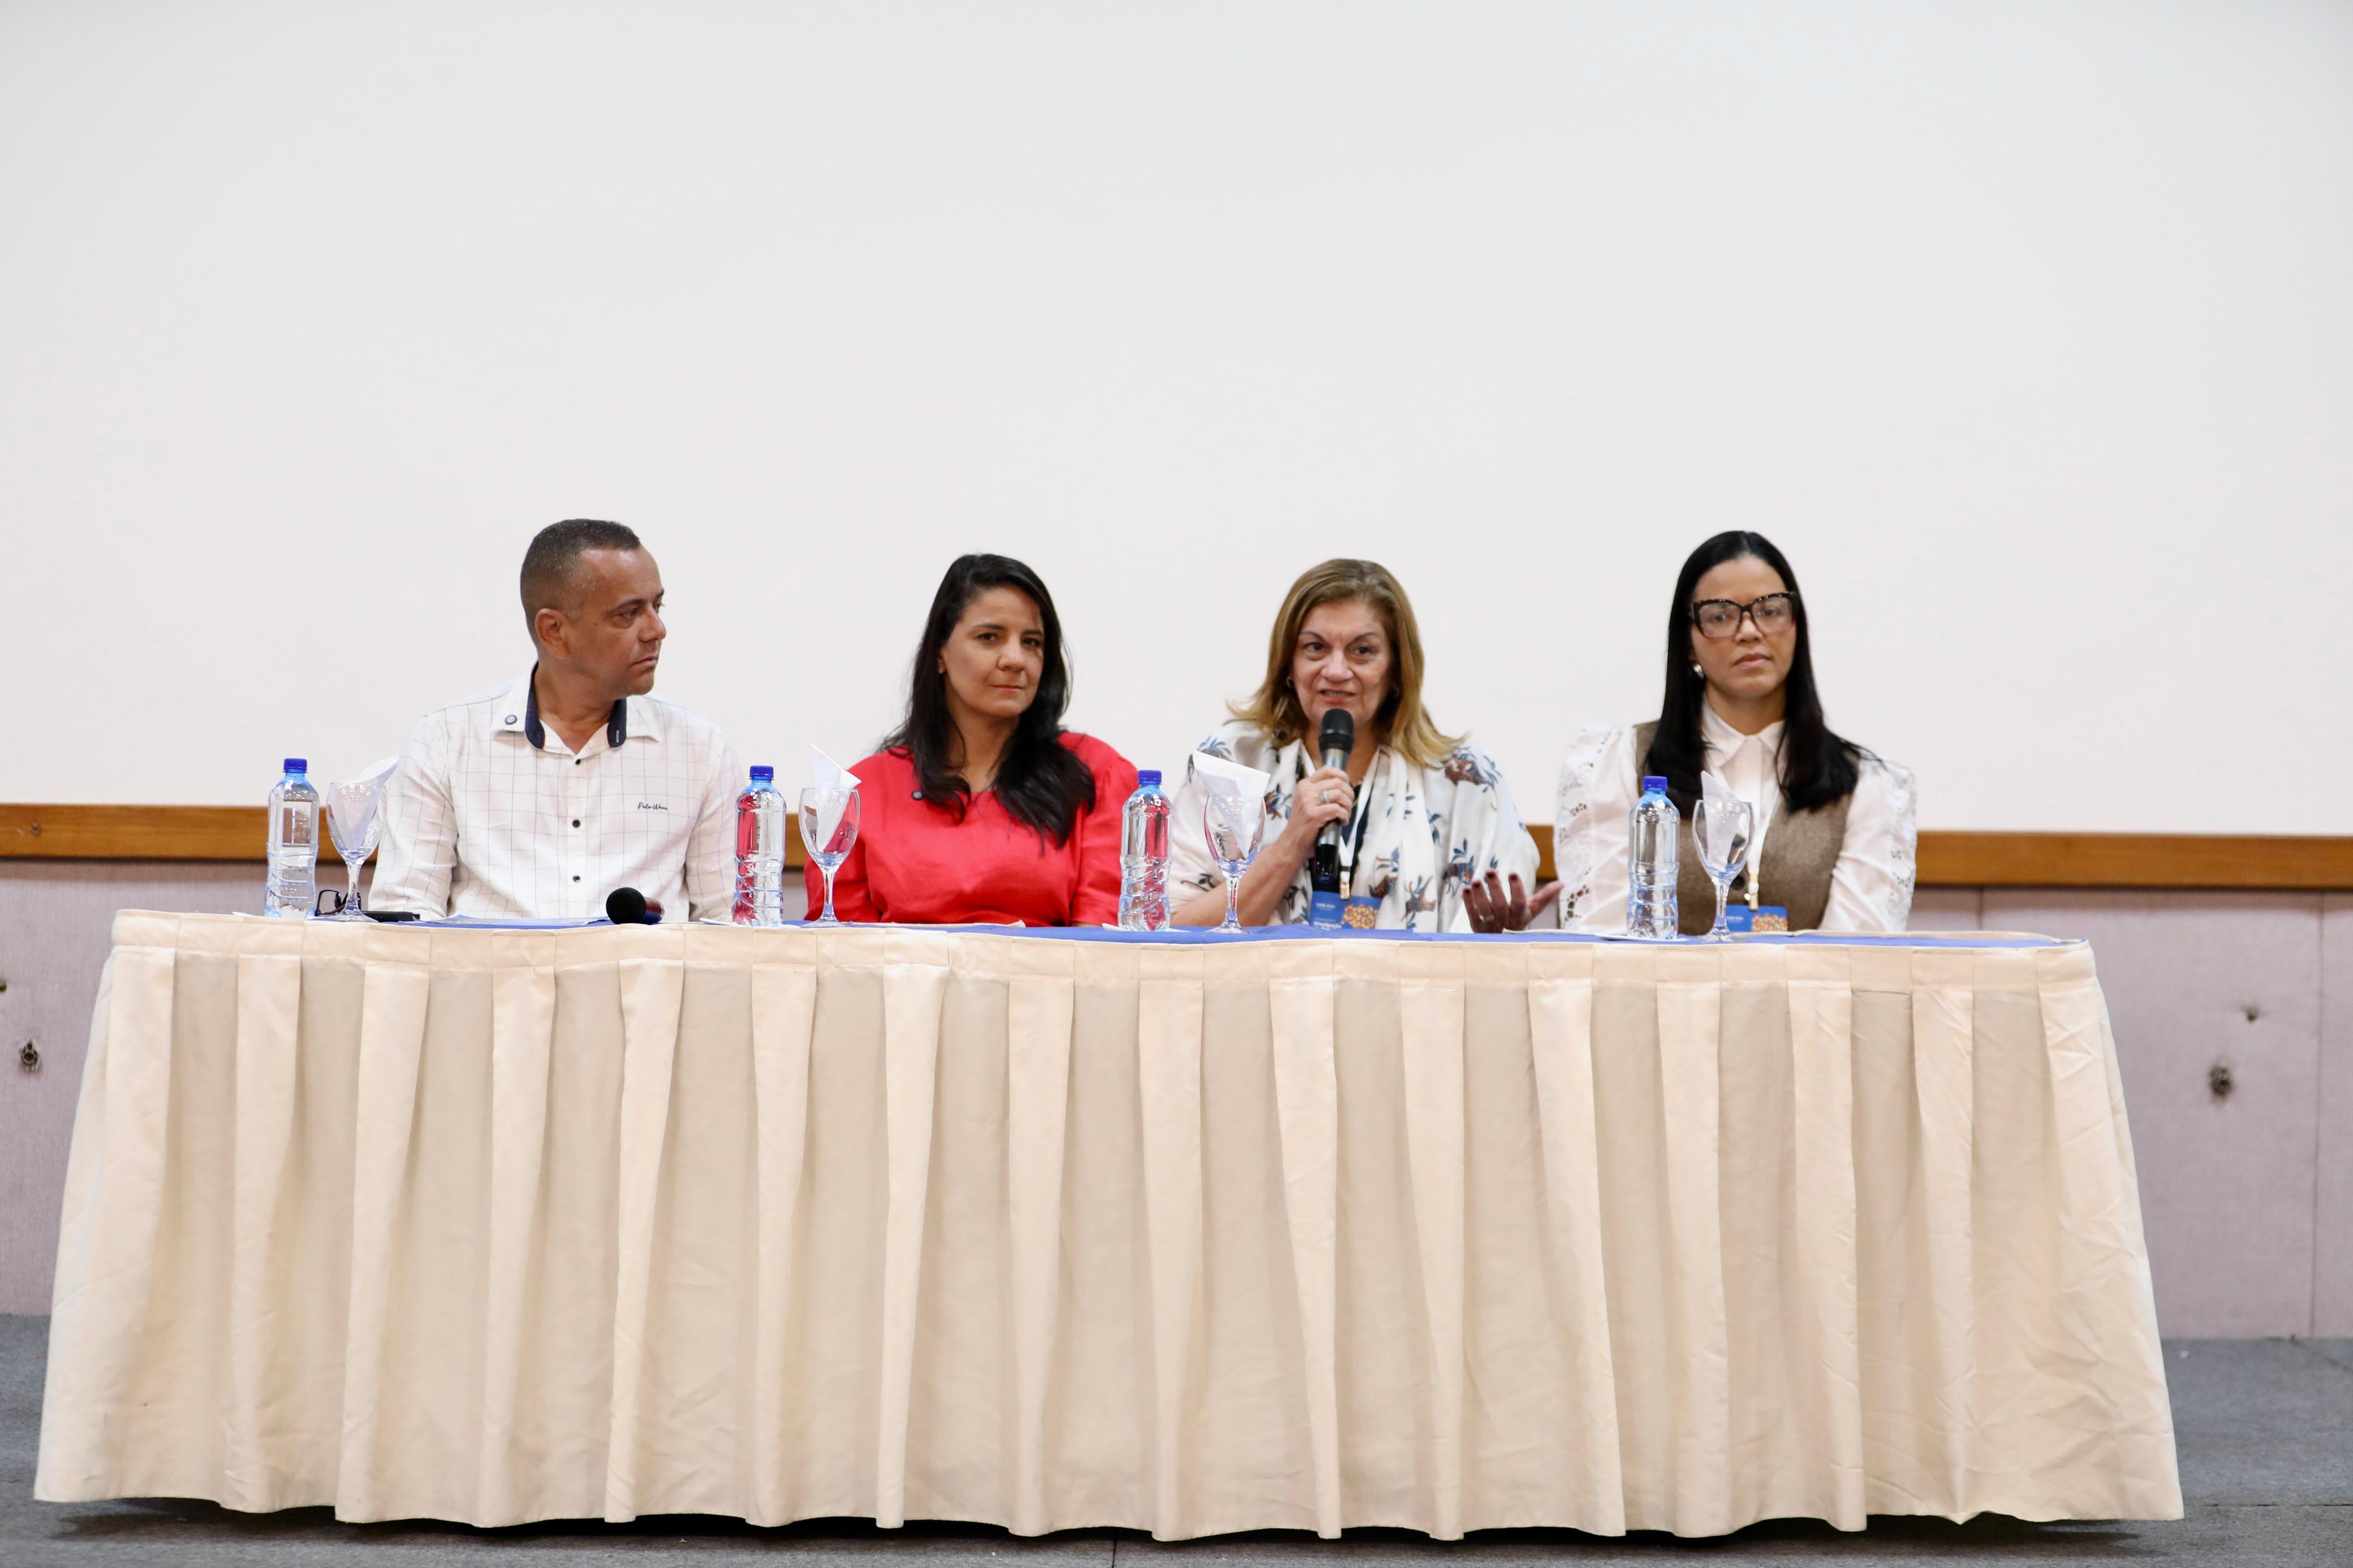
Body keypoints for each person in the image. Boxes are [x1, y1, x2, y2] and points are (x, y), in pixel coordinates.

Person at [374, 520, 742, 921]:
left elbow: (729, 924)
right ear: (553, 631)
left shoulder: (699, 749)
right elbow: (405, 917)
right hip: (493, 981)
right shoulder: (446, 740)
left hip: (642, 982)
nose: (657, 629)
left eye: (658, 606)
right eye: (629, 613)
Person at [1555, 530, 1916, 934]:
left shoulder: (1867, 783)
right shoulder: (1620, 761)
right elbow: (1600, 941)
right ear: (1688, 642)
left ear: (1797, 626)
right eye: (1721, 615)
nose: (1749, 631)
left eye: (1771, 610)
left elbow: (1853, 961)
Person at [1170, 558, 1553, 932]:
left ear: (1397, 669)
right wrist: (1289, 846)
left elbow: (1492, 935)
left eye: (1362, 651)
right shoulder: (1230, 764)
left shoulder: (1465, 780)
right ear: (1289, 664)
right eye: (1315, 647)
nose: (1336, 671)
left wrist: (1501, 934)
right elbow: (1172, 933)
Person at [811, 554, 1136, 926]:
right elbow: (840, 959)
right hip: (899, 984)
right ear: (940, 653)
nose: (1015, 658)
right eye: (989, 637)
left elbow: (1105, 948)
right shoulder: (858, 793)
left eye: (1031, 642)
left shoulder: (1097, 774)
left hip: (1050, 983)